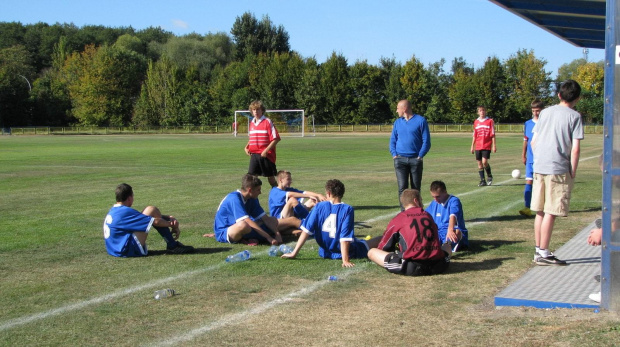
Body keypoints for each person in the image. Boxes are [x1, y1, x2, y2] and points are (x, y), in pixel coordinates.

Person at [531, 79, 584, 266]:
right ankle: (544, 252)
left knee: (540, 211)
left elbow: (533, 141)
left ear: (559, 95)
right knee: (551, 211)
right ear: (577, 98)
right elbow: (575, 149)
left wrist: (539, 159)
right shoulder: (575, 117)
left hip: (539, 166)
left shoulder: (544, 112)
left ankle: (538, 250)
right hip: (558, 168)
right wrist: (573, 171)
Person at [281, 179, 381, 267]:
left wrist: (294, 253)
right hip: (346, 252)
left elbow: (306, 231)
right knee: (379, 239)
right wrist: (345, 260)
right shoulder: (347, 209)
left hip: (324, 252)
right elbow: (344, 238)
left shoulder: (319, 206)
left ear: (328, 193)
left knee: (358, 240)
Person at [368, 189, 451, 276]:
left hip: (412, 266)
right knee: (447, 246)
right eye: (421, 200)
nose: (422, 204)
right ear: (416, 200)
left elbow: (384, 246)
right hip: (438, 265)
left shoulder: (399, 218)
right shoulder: (428, 215)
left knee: (372, 252)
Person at [103, 183, 195, 257]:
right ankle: (172, 246)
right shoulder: (125, 212)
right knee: (151, 210)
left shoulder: (115, 210)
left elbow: (139, 218)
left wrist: (168, 217)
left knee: (151, 212)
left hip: (114, 249)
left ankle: (172, 244)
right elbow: (155, 221)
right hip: (126, 250)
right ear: (129, 198)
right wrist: (172, 224)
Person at [213, 174, 283, 246]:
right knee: (244, 225)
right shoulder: (234, 198)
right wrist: (269, 238)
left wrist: (277, 234)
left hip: (243, 226)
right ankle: (247, 239)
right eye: (258, 190)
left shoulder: (252, 198)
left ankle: (252, 238)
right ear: (250, 190)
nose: (260, 192)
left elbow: (266, 219)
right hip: (225, 231)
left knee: (273, 220)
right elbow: (246, 220)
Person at [389, 99, 431, 210]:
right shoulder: (398, 122)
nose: (396, 110)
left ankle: (417, 211)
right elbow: (393, 140)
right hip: (400, 160)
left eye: (398, 108)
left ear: (405, 108)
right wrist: (394, 155)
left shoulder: (421, 121)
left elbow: (426, 141)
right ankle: (404, 212)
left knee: (415, 189)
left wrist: (420, 156)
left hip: (415, 160)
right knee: (402, 188)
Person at [425, 180, 469, 251]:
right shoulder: (434, 203)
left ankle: (447, 249)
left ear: (445, 192)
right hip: (439, 232)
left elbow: (453, 215)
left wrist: (450, 229)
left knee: (455, 233)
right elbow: (424, 215)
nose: (435, 199)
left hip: (452, 230)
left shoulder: (454, 201)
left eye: (438, 196)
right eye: (433, 197)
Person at [245, 100, 280, 187]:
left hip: (266, 155)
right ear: (251, 111)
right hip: (254, 155)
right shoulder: (252, 122)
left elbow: (276, 138)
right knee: (252, 178)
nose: (256, 111)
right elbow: (252, 138)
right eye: (254, 110)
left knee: (271, 178)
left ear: (262, 110)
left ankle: (279, 195)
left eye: (258, 109)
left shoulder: (267, 121)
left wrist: (265, 151)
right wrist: (246, 147)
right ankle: (253, 199)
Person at [519, 99, 544, 217]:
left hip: (543, 159)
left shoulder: (545, 123)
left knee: (542, 183)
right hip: (531, 159)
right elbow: (526, 141)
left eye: (538, 111)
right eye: (534, 110)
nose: (536, 113)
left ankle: (544, 207)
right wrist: (523, 155)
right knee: (529, 181)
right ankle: (527, 207)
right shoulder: (528, 123)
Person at [470, 105, 496, 186]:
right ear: (478, 112)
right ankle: (482, 180)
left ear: (485, 111)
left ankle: (489, 176)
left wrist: (494, 145)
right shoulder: (476, 122)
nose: (482, 112)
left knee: (485, 162)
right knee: (479, 163)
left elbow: (493, 134)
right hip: (478, 145)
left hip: (486, 145)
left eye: (483, 110)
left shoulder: (490, 121)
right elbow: (475, 135)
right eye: (480, 111)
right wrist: (472, 146)